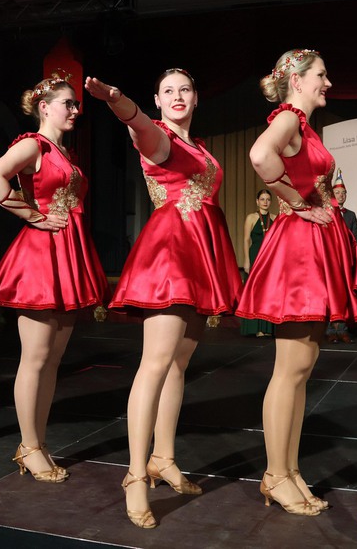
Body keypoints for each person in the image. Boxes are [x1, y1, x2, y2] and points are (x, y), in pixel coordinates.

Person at [84, 68, 241, 529]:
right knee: (155, 364)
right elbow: (139, 125)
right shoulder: (159, 138)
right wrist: (117, 100)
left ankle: (164, 458)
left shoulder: (200, 146)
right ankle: (135, 475)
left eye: (184, 89)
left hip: (201, 251)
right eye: (168, 91)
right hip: (171, 251)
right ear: (156, 99)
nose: (177, 96)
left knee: (178, 364)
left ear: (196, 97)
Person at [233, 49, 357, 518]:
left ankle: (288, 470)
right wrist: (297, 201)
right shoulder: (288, 117)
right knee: (290, 368)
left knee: (303, 366)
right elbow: (258, 155)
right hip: (299, 249)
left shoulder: (304, 126)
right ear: (298, 80)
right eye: (322, 75)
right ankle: (274, 474)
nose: (328, 82)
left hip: (313, 245)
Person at [0, 73, 107, 484]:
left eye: (76, 104)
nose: (75, 110)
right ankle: (29, 445)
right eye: (68, 103)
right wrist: (32, 215)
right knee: (35, 358)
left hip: (67, 253)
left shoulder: (64, 152)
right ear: (44, 107)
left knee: (52, 360)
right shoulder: (32, 144)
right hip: (40, 255)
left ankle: (37, 443)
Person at [328, 168, 357, 344]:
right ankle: (330, 330)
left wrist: (346, 246)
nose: (340, 196)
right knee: (330, 293)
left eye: (343, 193)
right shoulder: (327, 214)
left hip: (346, 261)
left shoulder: (351, 215)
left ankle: (343, 330)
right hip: (331, 261)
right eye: (337, 193)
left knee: (344, 294)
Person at [240, 188, 273, 337]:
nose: (265, 202)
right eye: (262, 199)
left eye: (268, 199)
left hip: (270, 258)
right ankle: (256, 327)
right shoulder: (251, 218)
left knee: (268, 292)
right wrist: (247, 260)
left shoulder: (275, 217)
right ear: (257, 201)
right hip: (255, 256)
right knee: (255, 292)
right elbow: (246, 240)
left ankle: (267, 327)